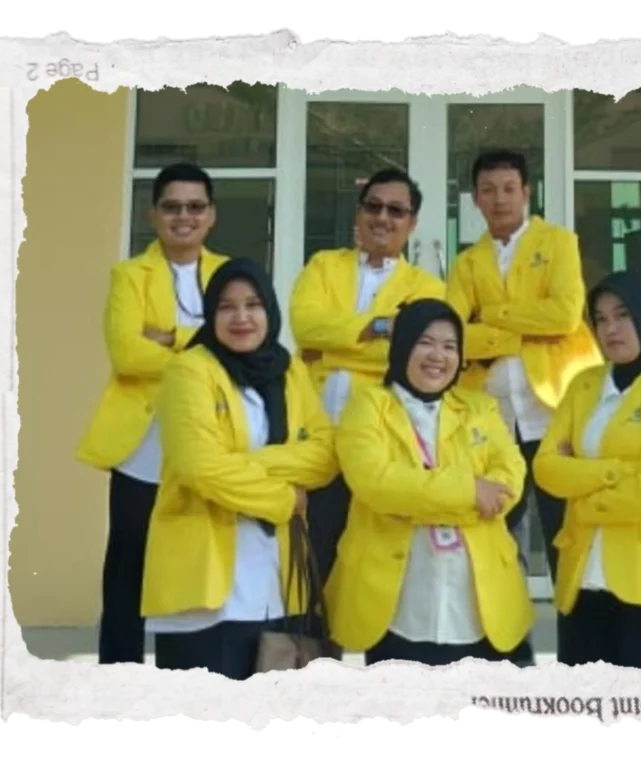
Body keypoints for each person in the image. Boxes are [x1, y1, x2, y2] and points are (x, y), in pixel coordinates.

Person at [140, 258, 338, 681]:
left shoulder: (290, 371)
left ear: (270, 310)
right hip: (206, 588)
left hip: (278, 585)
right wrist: (283, 498)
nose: (241, 317)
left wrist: (244, 462)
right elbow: (198, 467)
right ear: (210, 314)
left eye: (253, 305)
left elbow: (325, 455)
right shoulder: (189, 370)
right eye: (226, 307)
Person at [445, 150, 601, 662]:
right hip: (494, 417)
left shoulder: (558, 243)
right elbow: (453, 333)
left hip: (551, 410)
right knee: (498, 544)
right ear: (475, 198)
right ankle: (510, 659)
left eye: (509, 188)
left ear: (526, 192)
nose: (499, 199)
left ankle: (580, 660)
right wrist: (512, 334)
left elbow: (565, 314)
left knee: (565, 539)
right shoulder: (468, 262)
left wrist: (491, 317)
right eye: (488, 190)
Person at [75, 163, 229, 665]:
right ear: (153, 214)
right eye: (172, 206)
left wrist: (166, 337)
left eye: (195, 206)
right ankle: (118, 678)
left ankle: (184, 674)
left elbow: (237, 347)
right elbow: (127, 353)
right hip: (142, 445)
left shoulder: (228, 275)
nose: (184, 216)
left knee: (190, 561)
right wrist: (200, 347)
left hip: (208, 441)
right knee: (128, 567)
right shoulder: (129, 275)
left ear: (211, 215)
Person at [325, 299, 534, 666]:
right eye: (425, 342)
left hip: (479, 606)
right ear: (403, 345)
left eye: (450, 346)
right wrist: (471, 492)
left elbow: (510, 478)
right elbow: (377, 483)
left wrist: (418, 499)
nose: (438, 356)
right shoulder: (367, 406)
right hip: (398, 607)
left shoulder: (480, 408)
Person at [532, 272, 641, 672]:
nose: (610, 329)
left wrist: (582, 492)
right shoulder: (583, 384)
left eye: (622, 315)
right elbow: (545, 468)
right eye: (600, 319)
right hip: (583, 582)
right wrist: (619, 471)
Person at [289, 168, 446, 601]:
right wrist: (379, 327)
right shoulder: (324, 265)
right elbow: (304, 325)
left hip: (378, 437)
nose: (383, 218)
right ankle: (307, 644)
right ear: (359, 213)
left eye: (396, 211)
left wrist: (330, 348)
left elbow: (409, 358)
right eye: (373, 207)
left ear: (411, 223)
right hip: (313, 432)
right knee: (309, 559)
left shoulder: (427, 287)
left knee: (368, 565)